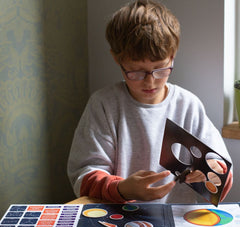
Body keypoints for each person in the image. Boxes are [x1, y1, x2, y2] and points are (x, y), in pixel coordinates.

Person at [67, 0, 232, 204]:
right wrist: (122, 189)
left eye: (160, 69)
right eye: (136, 71)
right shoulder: (104, 105)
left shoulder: (188, 106)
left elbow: (220, 172)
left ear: (172, 57)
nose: (150, 81)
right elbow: (84, 175)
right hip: (120, 223)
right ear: (118, 60)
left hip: (177, 224)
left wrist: (212, 171)